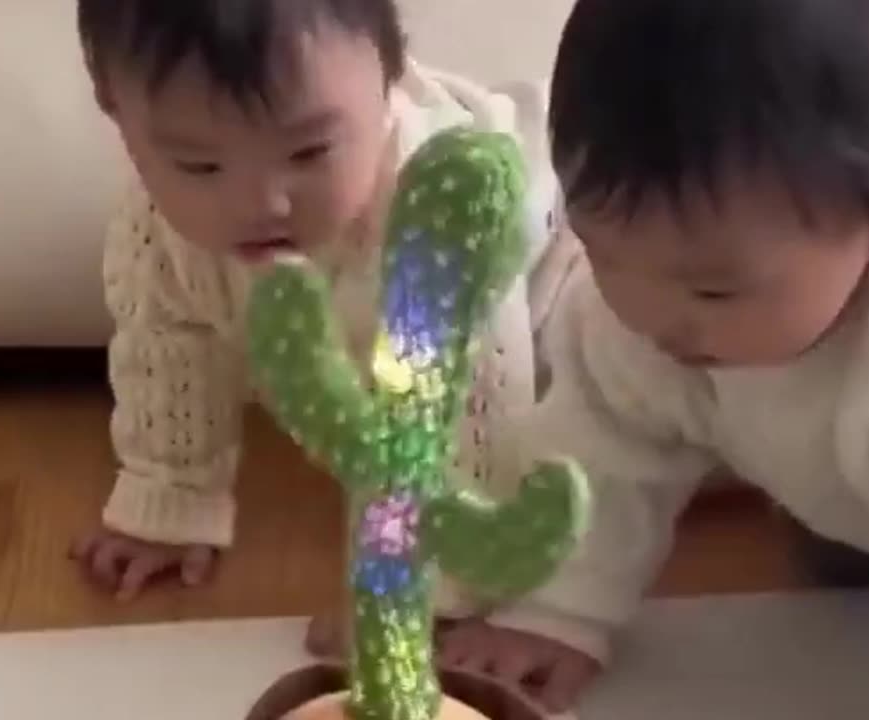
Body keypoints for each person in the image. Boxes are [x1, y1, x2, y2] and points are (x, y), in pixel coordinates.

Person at [436, 0, 869, 717]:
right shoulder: (655, 291)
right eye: (601, 251)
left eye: (714, 289)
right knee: (862, 563)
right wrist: (560, 613)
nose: (646, 314)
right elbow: (600, 455)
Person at [68, 0, 576, 616]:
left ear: (391, 75)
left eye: (308, 153)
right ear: (113, 111)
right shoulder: (159, 228)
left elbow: (476, 411)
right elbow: (167, 351)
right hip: (369, 367)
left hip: (564, 288)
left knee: (613, 423)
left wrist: (425, 594)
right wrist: (168, 499)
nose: (264, 202)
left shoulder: (440, 216)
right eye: (200, 165)